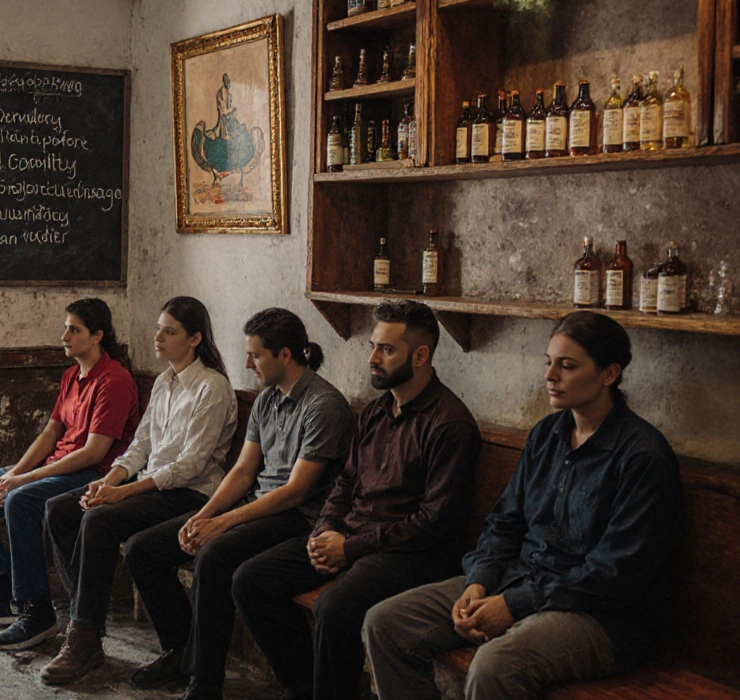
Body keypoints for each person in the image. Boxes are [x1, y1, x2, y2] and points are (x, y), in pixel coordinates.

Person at [363, 311, 681, 700]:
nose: (550, 376)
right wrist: (479, 580)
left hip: (601, 616)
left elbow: (614, 573)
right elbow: (503, 522)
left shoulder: (642, 457)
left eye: (567, 366)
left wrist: (514, 604)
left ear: (609, 374)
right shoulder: (547, 434)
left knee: (495, 666)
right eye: (549, 362)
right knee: (385, 623)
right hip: (516, 579)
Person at [232, 299, 482, 700]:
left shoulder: (449, 422)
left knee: (335, 607)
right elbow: (345, 483)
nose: (373, 358)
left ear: (421, 355)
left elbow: (436, 521)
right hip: (351, 537)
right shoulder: (377, 411)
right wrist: (324, 529)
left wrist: (350, 548)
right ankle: (304, 686)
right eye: (373, 346)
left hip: (411, 554)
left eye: (386, 349)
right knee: (251, 580)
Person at [122, 307, 354, 698]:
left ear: (285, 354)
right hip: (261, 505)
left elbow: (297, 490)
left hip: (301, 517)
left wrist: (224, 523)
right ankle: (180, 652)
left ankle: (204, 682)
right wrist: (204, 514)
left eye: (256, 355)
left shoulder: (324, 405)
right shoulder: (266, 401)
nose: (248, 364)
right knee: (141, 549)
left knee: (214, 556)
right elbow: (244, 471)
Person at [41, 297, 237, 685]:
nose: (158, 338)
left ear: (196, 338)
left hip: (192, 494)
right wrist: (108, 481)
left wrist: (125, 494)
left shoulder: (211, 388)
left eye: (170, 331)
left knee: (100, 520)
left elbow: (190, 466)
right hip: (155, 485)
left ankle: (84, 636)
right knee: (61, 509)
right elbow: (140, 447)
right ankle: (86, 625)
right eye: (158, 328)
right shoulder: (165, 382)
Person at [0, 298, 139, 652]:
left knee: (21, 501)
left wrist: (23, 482)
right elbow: (50, 434)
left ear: (97, 336)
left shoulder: (113, 381)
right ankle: (2, 597)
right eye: (66, 327)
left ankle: (37, 611)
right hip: (57, 466)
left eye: (74, 329)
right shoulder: (72, 375)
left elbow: (94, 453)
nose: (64, 336)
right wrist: (15, 473)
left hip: (92, 475)